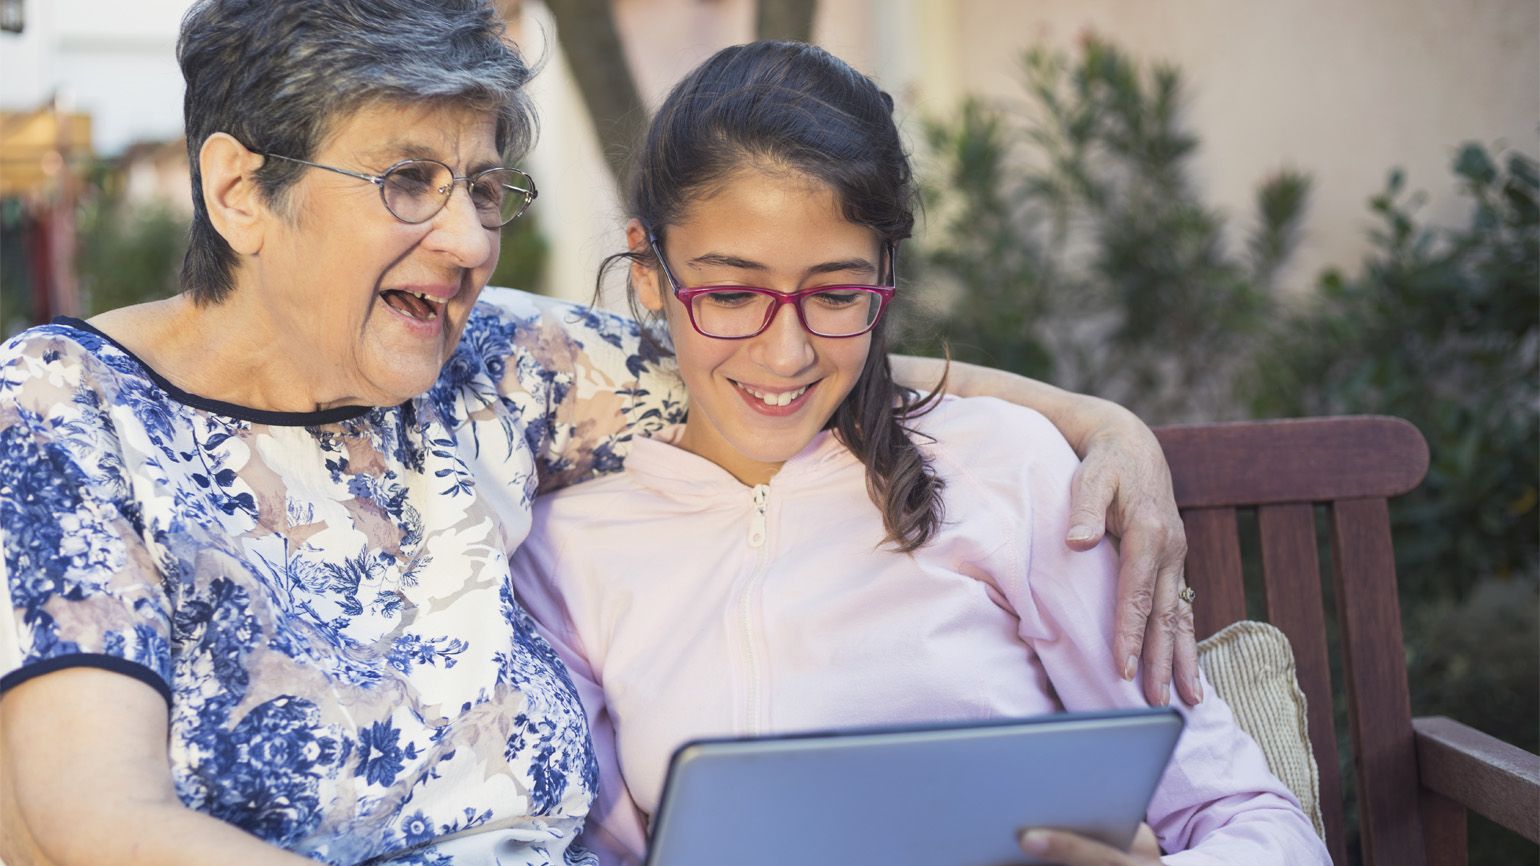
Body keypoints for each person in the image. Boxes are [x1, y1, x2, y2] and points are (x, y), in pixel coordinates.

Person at [0, 3, 1190, 865]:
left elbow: (783, 340)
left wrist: (1098, 421)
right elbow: (94, 817)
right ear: (240, 191)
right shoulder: (68, 411)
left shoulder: (493, 367)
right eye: (409, 179)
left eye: (482, 187)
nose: (469, 240)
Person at [512, 40, 1331, 865]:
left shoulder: (1008, 470)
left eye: (837, 294)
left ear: (886, 276)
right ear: (651, 273)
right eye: (730, 294)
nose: (786, 353)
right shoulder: (570, 555)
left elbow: (1260, 825)